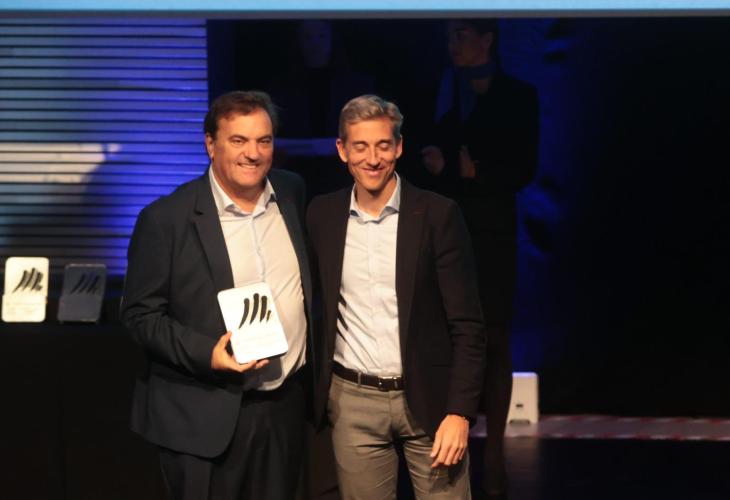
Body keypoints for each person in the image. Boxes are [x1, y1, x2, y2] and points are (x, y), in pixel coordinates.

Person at [121, 91, 314, 500]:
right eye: (238, 140)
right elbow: (140, 316)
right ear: (211, 144)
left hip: (283, 412)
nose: (253, 154)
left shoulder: (292, 192)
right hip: (203, 415)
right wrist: (208, 354)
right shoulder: (166, 219)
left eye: (263, 141)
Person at [307, 94, 486, 499]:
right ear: (342, 150)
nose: (372, 159)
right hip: (353, 402)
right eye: (360, 146)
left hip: (431, 400)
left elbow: (468, 325)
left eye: (383, 146)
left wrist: (460, 411)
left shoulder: (437, 214)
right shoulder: (322, 215)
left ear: (399, 147)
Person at [420, 19, 539, 499]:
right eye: (450, 34)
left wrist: (476, 170)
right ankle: (452, 435)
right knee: (449, 332)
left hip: (491, 232)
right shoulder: (441, 88)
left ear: (487, 39)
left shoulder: (518, 95)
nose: (454, 43)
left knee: (494, 335)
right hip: (448, 225)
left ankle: (495, 453)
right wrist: (438, 164)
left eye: (463, 34)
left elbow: (524, 166)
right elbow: (428, 148)